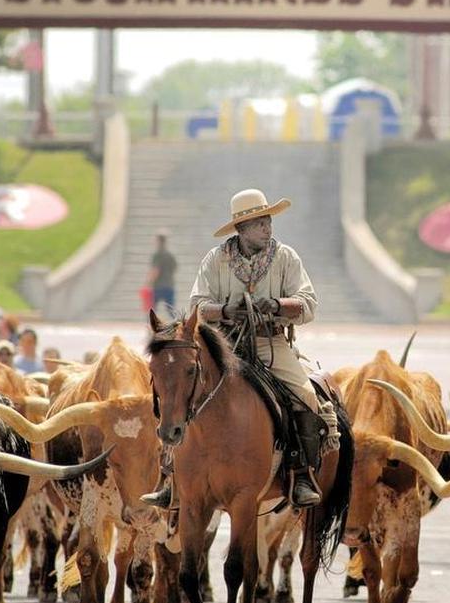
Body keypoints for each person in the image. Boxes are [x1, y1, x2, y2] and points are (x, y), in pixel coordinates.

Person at [142, 188, 339, 510]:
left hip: (270, 342)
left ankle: (300, 473)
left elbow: (308, 304)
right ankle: (170, 476)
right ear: (242, 229)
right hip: (222, 345)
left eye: (268, 221)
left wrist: (277, 304)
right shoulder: (216, 260)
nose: (267, 228)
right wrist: (225, 311)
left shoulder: (286, 257)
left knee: (306, 397)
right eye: (260, 223)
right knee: (179, 393)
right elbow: (197, 304)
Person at [148, 233, 178, 317]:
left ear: (158, 241)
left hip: (158, 286)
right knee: (171, 310)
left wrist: (149, 283)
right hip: (169, 285)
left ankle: (151, 327)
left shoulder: (157, 254)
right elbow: (175, 268)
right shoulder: (170, 255)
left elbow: (155, 270)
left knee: (152, 310)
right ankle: (178, 326)